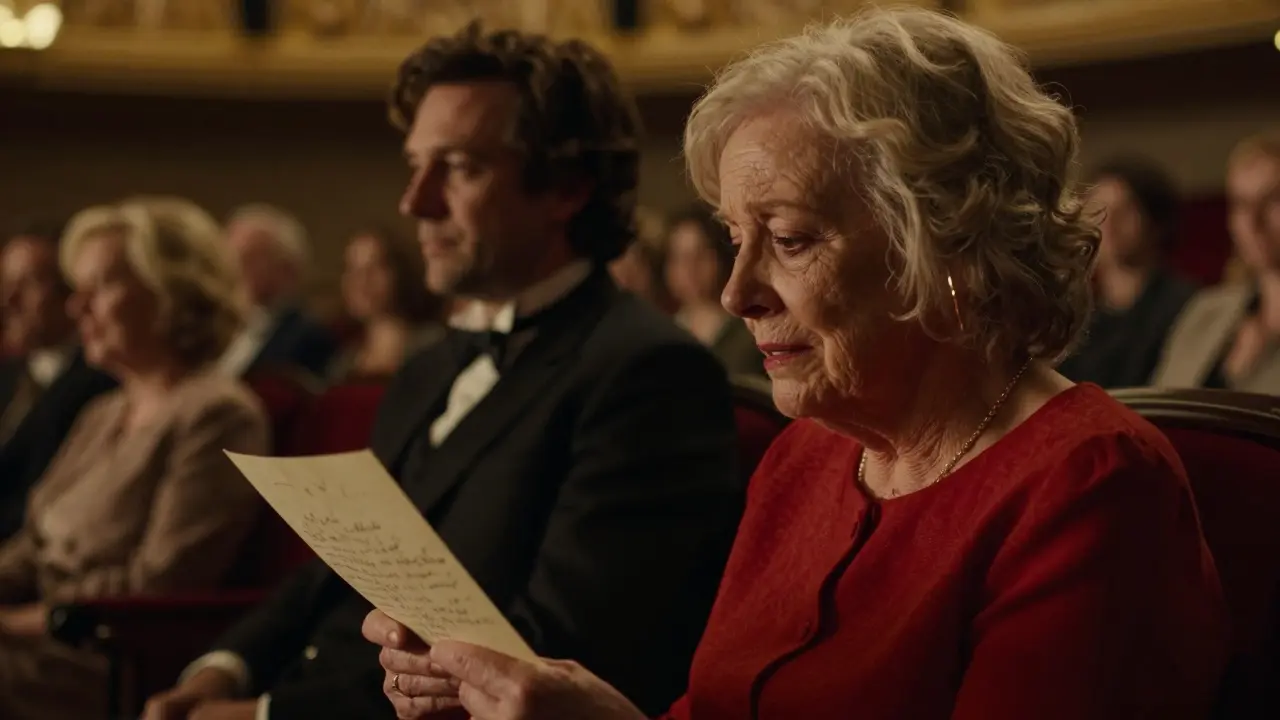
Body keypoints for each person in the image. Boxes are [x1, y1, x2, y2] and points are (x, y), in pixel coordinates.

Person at [363, 8, 1229, 720]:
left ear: (947, 245)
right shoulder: (807, 456)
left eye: (789, 239)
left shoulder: (1095, 487)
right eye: (736, 239)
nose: (739, 293)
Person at [142, 22, 740, 720]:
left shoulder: (649, 373)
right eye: (415, 164)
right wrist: (223, 667)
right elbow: (340, 572)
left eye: (458, 167)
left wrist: (268, 712)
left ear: (567, 187)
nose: (414, 202)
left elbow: (545, 657)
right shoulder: (428, 366)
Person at [0, 197, 269, 720]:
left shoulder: (219, 413)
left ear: (173, 293)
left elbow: (161, 582)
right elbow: (33, 545)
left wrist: (18, 622)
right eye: (77, 289)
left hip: (100, 657)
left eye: (101, 286)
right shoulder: (104, 408)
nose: (78, 307)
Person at [0, 218, 116, 542]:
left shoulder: (103, 386)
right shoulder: (9, 376)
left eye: (29, 284)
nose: (8, 300)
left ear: (71, 292)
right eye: (6, 282)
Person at [1152, 130, 1280, 392]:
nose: (1252, 221)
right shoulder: (1206, 312)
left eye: (1274, 200)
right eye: (1241, 204)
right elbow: (1159, 409)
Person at [1056, 157, 1196, 388]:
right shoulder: (1075, 313)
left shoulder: (1188, 306)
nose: (1108, 223)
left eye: (1126, 210)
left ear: (1156, 223)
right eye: (1098, 209)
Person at [217, 203, 337, 379]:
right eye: (230, 256)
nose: (236, 267)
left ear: (287, 268)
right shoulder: (215, 328)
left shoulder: (309, 337)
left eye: (250, 257)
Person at [328, 227, 446, 382]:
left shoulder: (435, 348)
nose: (362, 280)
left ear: (400, 272)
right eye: (352, 269)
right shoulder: (344, 362)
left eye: (375, 267)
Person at [665, 204, 764, 376]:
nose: (690, 269)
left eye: (701, 254)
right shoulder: (665, 334)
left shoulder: (749, 335)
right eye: (680, 258)